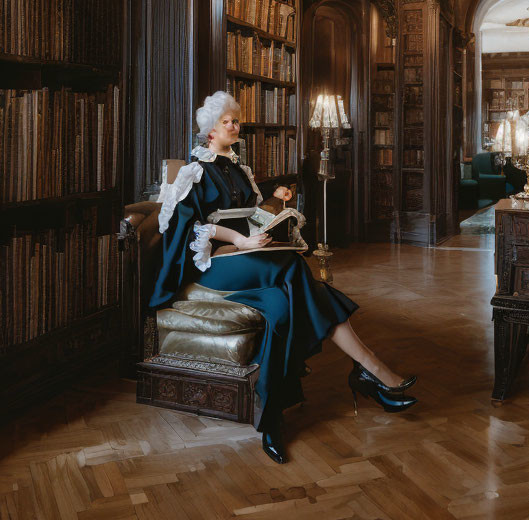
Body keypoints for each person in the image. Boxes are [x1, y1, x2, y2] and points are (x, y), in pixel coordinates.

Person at [149, 90, 418, 464]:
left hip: (246, 256)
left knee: (280, 304)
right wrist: (241, 241)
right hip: (213, 264)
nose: (235, 125)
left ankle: (273, 415)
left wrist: (275, 204)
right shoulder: (196, 171)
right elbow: (191, 229)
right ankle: (370, 369)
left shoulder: (238, 168)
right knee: (296, 271)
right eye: (228, 120)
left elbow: (249, 213)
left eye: (236, 119)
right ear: (210, 129)